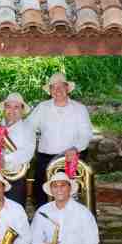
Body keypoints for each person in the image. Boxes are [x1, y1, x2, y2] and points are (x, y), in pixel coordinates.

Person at [27, 73, 93, 208]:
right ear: (50, 91)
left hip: (72, 157)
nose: (57, 90)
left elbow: (86, 134)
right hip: (45, 159)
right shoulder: (42, 107)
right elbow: (28, 128)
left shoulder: (80, 109)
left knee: (71, 197)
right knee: (41, 198)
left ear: (67, 88)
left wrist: (75, 148)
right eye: (53, 87)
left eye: (61, 86)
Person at [0, 93, 35, 207]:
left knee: (15, 214)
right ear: (4, 109)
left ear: (22, 110)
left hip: (15, 180)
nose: (12, 110)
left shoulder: (28, 129)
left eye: (16, 107)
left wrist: (5, 159)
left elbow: (28, 152)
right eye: (8, 106)